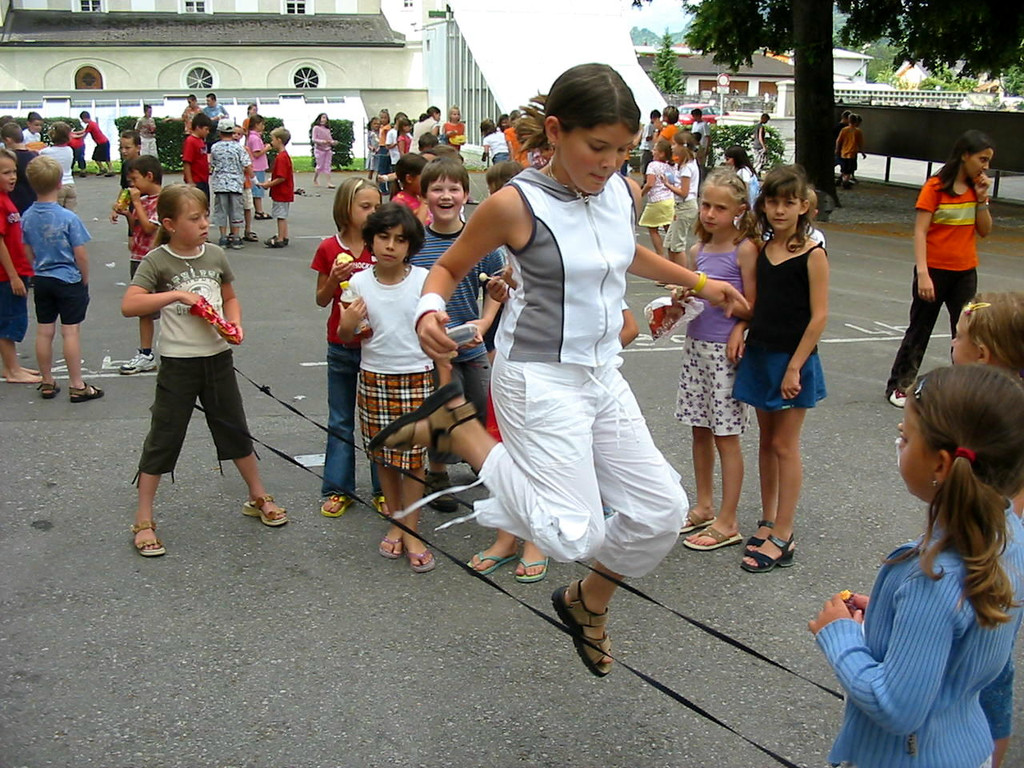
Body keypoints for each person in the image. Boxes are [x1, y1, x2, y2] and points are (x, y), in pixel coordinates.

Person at [368, 63, 748, 676]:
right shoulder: (515, 204)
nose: (610, 162)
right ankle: (461, 430)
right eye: (597, 147)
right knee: (573, 535)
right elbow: (447, 268)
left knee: (661, 513)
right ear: (555, 131)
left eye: (623, 149)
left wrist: (702, 283)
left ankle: (585, 603)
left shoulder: (620, 191)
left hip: (600, 372)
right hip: (537, 378)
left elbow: (625, 254)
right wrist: (427, 310)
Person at [809, 364, 1024, 768]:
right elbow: (961, 641)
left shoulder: (932, 578)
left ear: (941, 465)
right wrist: (894, 618)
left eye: (906, 437)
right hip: (968, 747)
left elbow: (896, 707)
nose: (899, 440)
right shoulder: (1010, 535)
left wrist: (840, 636)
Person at [121, 184, 288, 557]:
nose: (204, 224)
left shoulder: (214, 254)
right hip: (178, 363)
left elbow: (230, 297)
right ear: (169, 224)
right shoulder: (157, 261)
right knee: (164, 437)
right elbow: (130, 305)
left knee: (234, 428)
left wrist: (235, 323)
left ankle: (258, 496)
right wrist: (177, 295)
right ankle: (143, 517)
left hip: (217, 358)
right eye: (194, 218)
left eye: (205, 217)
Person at [732, 165, 828, 573]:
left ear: (803, 206)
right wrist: (741, 328)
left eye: (789, 202)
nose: (780, 210)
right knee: (767, 443)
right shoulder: (762, 249)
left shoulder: (813, 253)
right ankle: (769, 518)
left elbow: (819, 317)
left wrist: (795, 367)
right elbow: (757, 305)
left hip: (794, 361)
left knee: (786, 446)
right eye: (772, 202)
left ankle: (784, 534)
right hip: (761, 356)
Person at [339, 203, 435, 572]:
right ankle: (396, 521)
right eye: (383, 237)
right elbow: (347, 335)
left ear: (411, 246)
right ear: (371, 240)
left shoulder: (424, 280)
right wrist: (349, 320)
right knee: (383, 457)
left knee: (413, 460)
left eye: (400, 240)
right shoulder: (358, 283)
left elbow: (436, 328)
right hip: (374, 377)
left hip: (416, 376)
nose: (391, 246)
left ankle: (412, 529)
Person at [950, 293, 1024, 768]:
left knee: (990, 667)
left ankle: (988, 756)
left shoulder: (1003, 416)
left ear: (981, 354)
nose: (952, 344)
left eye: (957, 337)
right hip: (992, 547)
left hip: (998, 552)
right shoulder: (992, 404)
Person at [410, 157, 502, 514]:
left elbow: (496, 290)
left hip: (472, 346)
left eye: (454, 189)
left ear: (466, 194)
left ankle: (480, 462)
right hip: (433, 350)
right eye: (437, 189)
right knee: (441, 411)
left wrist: (485, 322)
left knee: (479, 407)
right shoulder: (416, 243)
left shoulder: (480, 242)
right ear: (424, 196)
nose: (446, 196)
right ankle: (437, 472)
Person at [675, 168, 758, 550]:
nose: (709, 214)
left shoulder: (745, 249)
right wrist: (681, 298)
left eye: (720, 208)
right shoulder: (698, 251)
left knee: (726, 436)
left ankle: (729, 519)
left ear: (739, 210)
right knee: (699, 429)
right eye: (706, 205)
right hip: (696, 347)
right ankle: (704, 505)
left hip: (725, 353)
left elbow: (753, 305)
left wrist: (740, 326)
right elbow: (697, 296)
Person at [885, 130, 994, 408]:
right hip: (934, 270)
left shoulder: (975, 189)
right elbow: (920, 232)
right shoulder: (934, 188)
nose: (985, 167)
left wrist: (982, 199)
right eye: (982, 159)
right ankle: (900, 385)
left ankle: (963, 387)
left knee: (966, 331)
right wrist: (923, 273)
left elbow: (985, 230)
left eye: (988, 161)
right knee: (920, 328)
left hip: (965, 272)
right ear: (965, 156)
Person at [311, 177, 385, 517]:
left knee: (379, 418)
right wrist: (333, 277)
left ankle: (384, 488)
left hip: (377, 344)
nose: (373, 212)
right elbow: (320, 298)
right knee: (340, 419)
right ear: (345, 208)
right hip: (341, 343)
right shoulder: (329, 247)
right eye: (365, 206)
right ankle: (338, 488)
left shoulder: (381, 244)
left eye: (377, 206)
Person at [21, 155, 101, 402]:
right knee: (70, 331)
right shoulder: (68, 218)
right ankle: (77, 384)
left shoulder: (27, 217)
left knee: (44, 330)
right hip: (68, 278)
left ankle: (47, 380)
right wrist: (84, 278)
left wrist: (36, 269)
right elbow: (81, 254)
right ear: (59, 183)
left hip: (42, 277)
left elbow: (27, 251)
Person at [118, 156, 163, 377]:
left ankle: (177, 347)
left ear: (149, 176)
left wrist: (135, 203)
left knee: (167, 305)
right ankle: (146, 353)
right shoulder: (143, 199)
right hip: (138, 257)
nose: (132, 185)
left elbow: (149, 228)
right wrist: (127, 213)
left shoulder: (162, 200)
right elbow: (137, 225)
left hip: (153, 259)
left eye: (135, 179)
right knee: (144, 309)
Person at [0, 148, 41, 384]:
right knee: (9, 320)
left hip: (17, 270)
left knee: (12, 318)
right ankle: (12, 370)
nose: (13, 177)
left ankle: (11, 365)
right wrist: (13, 275)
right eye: (6, 173)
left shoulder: (6, 198)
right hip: (7, 275)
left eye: (14, 172)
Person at [209, 118, 248, 250]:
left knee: (221, 210)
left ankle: (223, 237)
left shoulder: (215, 147)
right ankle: (236, 237)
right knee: (236, 210)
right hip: (235, 183)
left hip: (220, 183)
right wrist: (253, 179)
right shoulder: (238, 147)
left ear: (219, 132)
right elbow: (246, 164)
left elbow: (213, 164)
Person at [663, 140, 699, 265]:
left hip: (685, 206)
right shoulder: (688, 164)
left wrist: (667, 184)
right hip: (680, 207)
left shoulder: (687, 168)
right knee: (670, 243)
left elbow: (684, 192)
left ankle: (680, 274)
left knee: (677, 245)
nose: (672, 147)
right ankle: (671, 272)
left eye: (674, 144)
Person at [637, 138, 675, 256]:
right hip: (669, 199)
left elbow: (650, 184)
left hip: (656, 200)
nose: (652, 152)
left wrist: (640, 194)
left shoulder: (652, 165)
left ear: (661, 153)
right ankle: (674, 253)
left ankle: (660, 254)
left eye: (654, 150)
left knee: (653, 228)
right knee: (669, 229)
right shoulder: (671, 166)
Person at [261, 127, 293, 248]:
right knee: (282, 215)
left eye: (273, 139)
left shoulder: (281, 158)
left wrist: (268, 185)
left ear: (279, 140)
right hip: (285, 191)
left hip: (281, 192)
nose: (271, 142)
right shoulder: (284, 156)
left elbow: (281, 177)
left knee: (280, 216)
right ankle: (284, 235)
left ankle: (280, 238)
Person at [1, 121, 37, 214]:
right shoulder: (34, 155)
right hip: (33, 201)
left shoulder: (9, 159)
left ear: (8, 140)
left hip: (15, 203)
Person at [39, 122, 76, 211]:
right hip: (70, 184)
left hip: (56, 186)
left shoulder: (45, 152)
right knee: (70, 213)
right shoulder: (69, 150)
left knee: (56, 213)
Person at [245, 114, 271, 222]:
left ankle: (258, 210)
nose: (263, 127)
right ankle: (259, 211)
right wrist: (266, 148)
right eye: (262, 124)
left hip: (256, 166)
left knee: (256, 189)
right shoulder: (255, 138)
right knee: (258, 190)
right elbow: (256, 153)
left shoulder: (252, 136)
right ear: (256, 125)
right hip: (257, 166)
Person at [390, 153, 428, 225]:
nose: (428, 182)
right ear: (409, 179)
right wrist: (424, 203)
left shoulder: (419, 197)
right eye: (425, 178)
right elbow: (416, 228)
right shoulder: (399, 203)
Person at [182, 112, 212, 200]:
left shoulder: (201, 141)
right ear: (198, 127)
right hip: (196, 180)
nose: (208, 132)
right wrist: (190, 181)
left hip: (204, 179)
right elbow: (187, 162)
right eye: (206, 129)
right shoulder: (190, 141)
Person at [836, 113, 865, 189]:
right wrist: (862, 153)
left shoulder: (844, 130)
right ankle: (845, 182)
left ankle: (841, 179)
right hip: (852, 153)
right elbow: (860, 143)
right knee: (849, 170)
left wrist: (837, 149)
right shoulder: (858, 131)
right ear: (856, 121)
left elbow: (838, 141)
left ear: (849, 120)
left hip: (843, 153)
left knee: (844, 168)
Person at [311, 113, 337, 189]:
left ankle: (329, 182)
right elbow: (314, 139)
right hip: (319, 150)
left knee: (327, 166)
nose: (324, 119)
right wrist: (323, 141)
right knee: (319, 166)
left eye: (325, 118)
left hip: (328, 150)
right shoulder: (316, 128)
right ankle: (315, 179)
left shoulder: (327, 130)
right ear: (319, 119)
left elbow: (330, 139)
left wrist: (333, 142)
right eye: (323, 117)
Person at [639, 109, 662, 176]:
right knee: (645, 165)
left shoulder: (654, 126)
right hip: (646, 148)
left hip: (650, 148)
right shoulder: (649, 126)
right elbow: (647, 137)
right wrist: (655, 135)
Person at [365, 116, 381, 181]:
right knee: (371, 167)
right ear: (371, 125)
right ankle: (369, 179)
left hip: (379, 151)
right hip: (372, 152)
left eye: (378, 124)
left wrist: (379, 148)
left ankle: (378, 180)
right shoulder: (370, 133)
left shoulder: (381, 133)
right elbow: (368, 143)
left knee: (379, 168)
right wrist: (371, 148)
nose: (376, 125)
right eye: (375, 124)